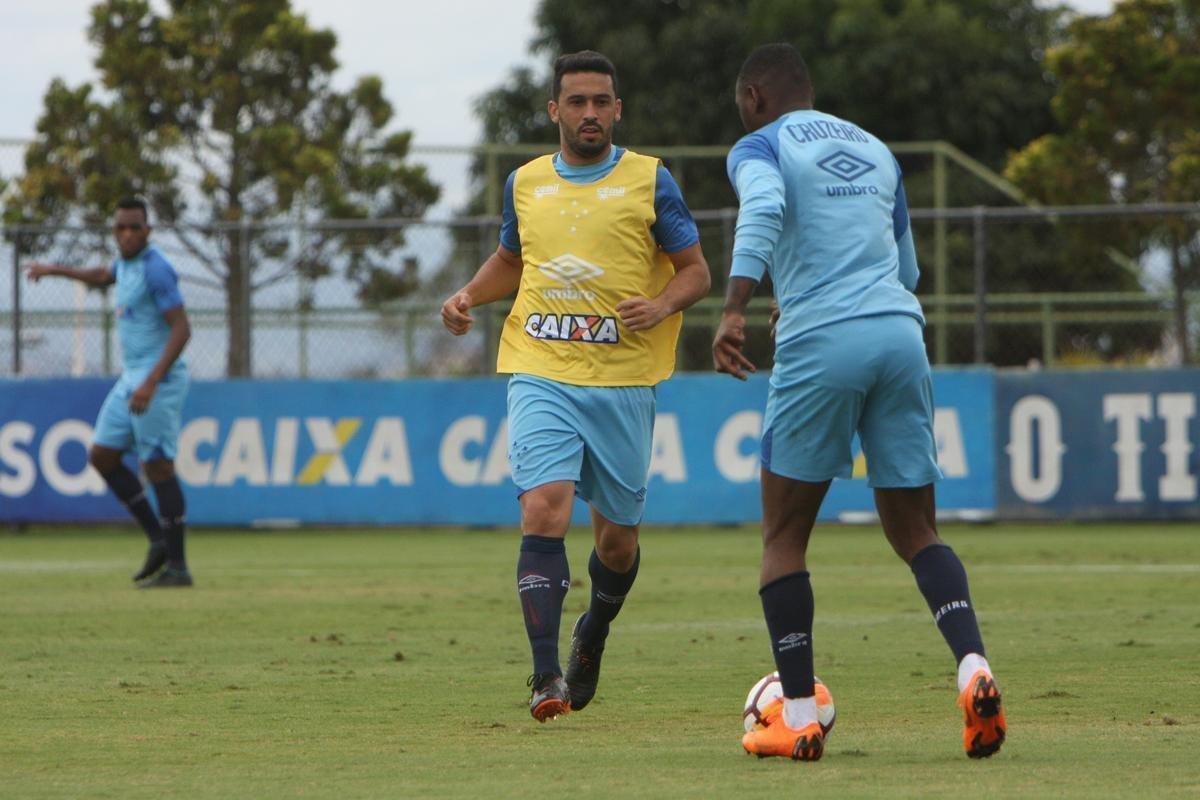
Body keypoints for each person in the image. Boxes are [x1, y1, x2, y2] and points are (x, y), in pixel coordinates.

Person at [713, 44, 1005, 761]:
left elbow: (765, 209)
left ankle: (801, 714)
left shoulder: (759, 143)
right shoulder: (875, 148)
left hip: (823, 343)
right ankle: (974, 667)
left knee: (784, 537)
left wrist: (734, 310)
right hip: (901, 334)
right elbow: (905, 265)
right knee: (916, 530)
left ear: (754, 96)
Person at [441, 50, 711, 722]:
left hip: (624, 380)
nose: (589, 113)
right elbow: (512, 259)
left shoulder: (651, 180)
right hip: (541, 366)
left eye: (601, 102)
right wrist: (469, 295)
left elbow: (697, 270)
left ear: (617, 110)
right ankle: (545, 678)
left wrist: (663, 305)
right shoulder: (526, 183)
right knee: (544, 508)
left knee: (616, 543)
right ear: (555, 110)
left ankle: (592, 631)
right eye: (577, 102)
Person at [27, 197, 194, 588]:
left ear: (147, 231)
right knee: (101, 455)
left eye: (135, 227)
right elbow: (104, 275)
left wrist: (151, 381)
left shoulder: (157, 270)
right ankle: (157, 539)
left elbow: (182, 328)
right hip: (132, 378)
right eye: (121, 227)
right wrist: (55, 270)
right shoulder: (127, 264)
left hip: (158, 381)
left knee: (158, 467)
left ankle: (178, 566)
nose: (127, 234)